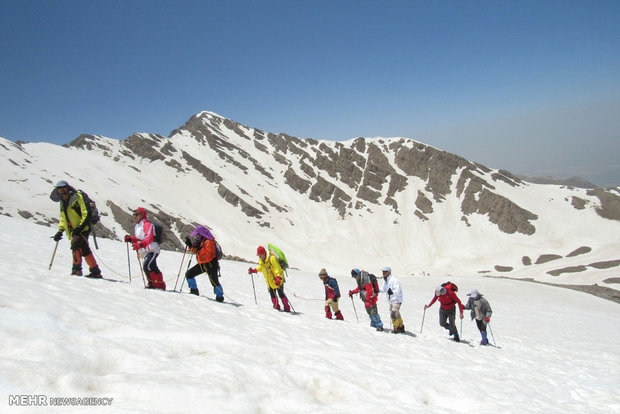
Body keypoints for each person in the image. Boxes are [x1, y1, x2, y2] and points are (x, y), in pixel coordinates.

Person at [50, 180, 101, 278]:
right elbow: (63, 218)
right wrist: (60, 230)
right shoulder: (63, 202)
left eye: (63, 189)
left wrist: (80, 227)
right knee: (85, 249)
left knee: (75, 244)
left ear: (68, 188)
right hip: (75, 229)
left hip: (83, 228)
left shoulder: (78, 197)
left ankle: (76, 269)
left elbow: (86, 213)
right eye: (59, 190)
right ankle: (95, 271)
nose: (61, 191)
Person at [124, 208, 165, 290]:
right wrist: (131, 239)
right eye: (134, 214)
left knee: (147, 265)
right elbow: (139, 237)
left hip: (152, 249)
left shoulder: (147, 224)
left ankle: (156, 284)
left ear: (142, 215)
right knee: (151, 266)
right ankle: (155, 284)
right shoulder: (138, 225)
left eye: (137, 214)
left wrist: (140, 244)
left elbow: (149, 237)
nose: (135, 216)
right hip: (145, 250)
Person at [184, 225, 224, 302]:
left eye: (197, 234)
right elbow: (197, 251)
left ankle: (220, 297)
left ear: (201, 234)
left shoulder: (209, 241)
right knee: (189, 274)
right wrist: (190, 246)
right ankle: (194, 291)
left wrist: (199, 248)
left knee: (215, 282)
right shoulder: (201, 241)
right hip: (203, 264)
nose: (196, 236)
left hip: (211, 265)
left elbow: (208, 255)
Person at [248, 246, 291, 312]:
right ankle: (276, 307)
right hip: (270, 281)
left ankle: (287, 308)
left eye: (260, 255)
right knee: (272, 295)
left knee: (281, 294)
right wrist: (254, 270)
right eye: (258, 255)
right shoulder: (261, 261)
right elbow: (262, 268)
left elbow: (278, 269)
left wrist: (278, 278)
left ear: (264, 253)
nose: (259, 257)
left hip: (277, 280)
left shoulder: (272, 258)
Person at [379, 266, 405, 333]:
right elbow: (383, 289)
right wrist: (377, 290)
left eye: (385, 272)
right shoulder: (385, 280)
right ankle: (401, 326)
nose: (383, 273)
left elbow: (398, 289)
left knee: (393, 313)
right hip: (391, 300)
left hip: (396, 300)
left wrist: (392, 292)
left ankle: (396, 328)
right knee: (396, 313)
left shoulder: (394, 280)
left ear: (389, 272)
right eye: (383, 271)